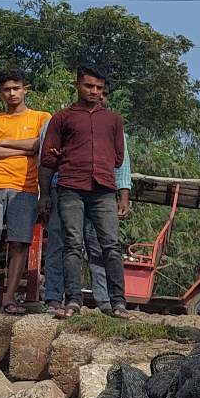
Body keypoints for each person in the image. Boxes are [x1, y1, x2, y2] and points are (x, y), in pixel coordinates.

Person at [42, 67, 129, 318]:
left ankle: (118, 302)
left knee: (111, 245)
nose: (94, 92)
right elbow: (48, 158)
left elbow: (118, 157)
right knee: (72, 244)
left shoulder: (113, 119)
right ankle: (73, 301)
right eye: (89, 86)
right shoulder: (62, 118)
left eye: (99, 88)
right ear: (77, 85)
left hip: (102, 188)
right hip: (71, 186)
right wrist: (45, 195)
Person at [0, 70, 51, 314]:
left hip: (25, 188)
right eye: (7, 89)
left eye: (16, 88)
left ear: (25, 89)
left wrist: (2, 143)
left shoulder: (41, 117)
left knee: (20, 243)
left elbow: (39, 145)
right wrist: (24, 149)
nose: (12, 93)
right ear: (1, 92)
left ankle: (9, 297)